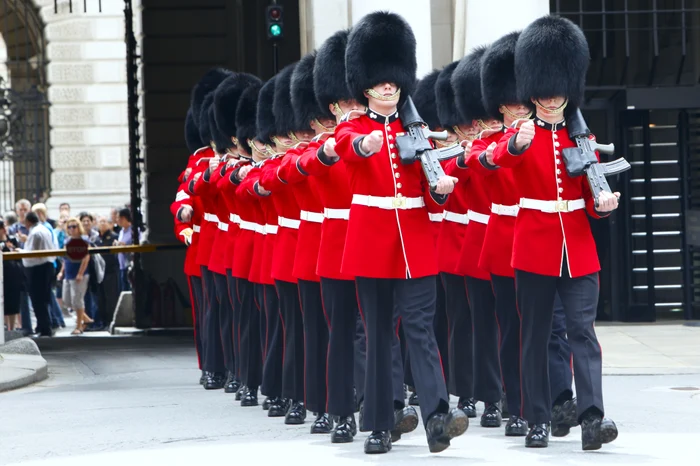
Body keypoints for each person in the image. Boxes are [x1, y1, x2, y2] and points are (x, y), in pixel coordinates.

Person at [335, 12, 467, 454]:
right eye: (380, 80)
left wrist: (442, 190)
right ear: (366, 85)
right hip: (373, 243)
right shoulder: (353, 127)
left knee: (420, 330)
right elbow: (343, 150)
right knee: (378, 334)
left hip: (414, 241)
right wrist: (363, 146)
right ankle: (380, 420)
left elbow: (430, 193)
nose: (388, 86)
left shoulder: (420, 132)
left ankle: (436, 416)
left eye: (393, 79)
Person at [492, 15, 619, 450]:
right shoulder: (520, 136)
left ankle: (592, 417)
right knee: (536, 336)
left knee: (583, 333)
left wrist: (602, 205)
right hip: (534, 246)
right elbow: (496, 161)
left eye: (558, 90)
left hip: (578, 249)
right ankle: (537, 418)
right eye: (543, 92)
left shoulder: (582, 136)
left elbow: (590, 194)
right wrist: (515, 143)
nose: (551, 99)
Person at [19, 212, 55, 337]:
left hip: (37, 269)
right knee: (44, 299)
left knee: (38, 299)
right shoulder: (44, 229)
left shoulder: (35, 233)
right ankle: (44, 325)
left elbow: (32, 253)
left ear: (28, 222)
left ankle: (44, 327)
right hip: (46, 266)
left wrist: (20, 251)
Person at [57, 218, 94, 335]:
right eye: (69, 227)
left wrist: (80, 273)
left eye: (74, 226)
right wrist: (61, 272)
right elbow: (65, 258)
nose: (72, 229)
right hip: (68, 273)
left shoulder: (84, 240)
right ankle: (86, 318)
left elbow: (86, 257)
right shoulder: (67, 240)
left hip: (79, 273)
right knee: (67, 301)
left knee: (77, 300)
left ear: (79, 227)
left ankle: (79, 325)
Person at [95, 216, 120, 329]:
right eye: (100, 222)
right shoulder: (96, 239)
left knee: (111, 297)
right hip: (99, 272)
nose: (102, 224)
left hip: (110, 271)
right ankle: (102, 322)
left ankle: (110, 321)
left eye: (105, 222)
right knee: (101, 298)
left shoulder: (114, 237)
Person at [1, 219, 24, 331]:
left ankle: (12, 327)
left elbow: (18, 255)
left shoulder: (12, 240)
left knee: (13, 302)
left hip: (13, 273)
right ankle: (4, 326)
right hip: (2, 273)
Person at [116, 208, 134, 292]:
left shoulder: (133, 231)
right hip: (122, 265)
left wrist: (125, 246)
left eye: (118, 218)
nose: (117, 220)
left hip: (129, 264)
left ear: (123, 218)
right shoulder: (121, 231)